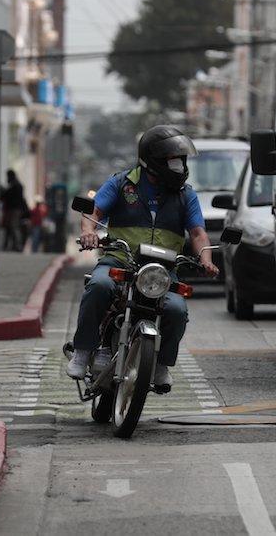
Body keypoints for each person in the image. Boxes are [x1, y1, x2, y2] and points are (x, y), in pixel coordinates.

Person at [67, 125, 218, 390]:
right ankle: (82, 351)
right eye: (172, 160)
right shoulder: (121, 183)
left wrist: (206, 258)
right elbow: (93, 212)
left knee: (176, 309)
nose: (179, 167)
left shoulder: (186, 195)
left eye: (180, 160)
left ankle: (160, 365)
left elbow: (197, 233)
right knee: (99, 286)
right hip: (119, 260)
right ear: (154, 161)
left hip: (161, 270)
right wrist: (88, 232)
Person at [1, 170, 26, 252]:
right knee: (9, 227)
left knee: (14, 227)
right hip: (12, 210)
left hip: (14, 210)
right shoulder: (14, 185)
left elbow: (10, 197)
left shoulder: (15, 186)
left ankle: (18, 246)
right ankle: (9, 245)